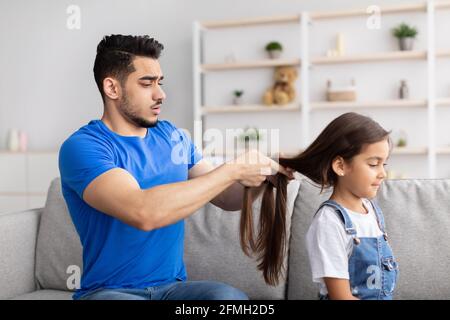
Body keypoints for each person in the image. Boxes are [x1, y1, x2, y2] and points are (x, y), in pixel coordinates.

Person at [58, 34, 292, 300]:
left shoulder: (173, 137)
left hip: (172, 289)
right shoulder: (83, 147)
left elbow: (227, 197)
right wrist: (233, 169)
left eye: (159, 82)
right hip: (109, 292)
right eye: (147, 84)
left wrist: (263, 174)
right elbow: (143, 212)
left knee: (229, 300)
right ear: (112, 88)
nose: (161, 94)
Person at [243, 112, 399, 299]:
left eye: (384, 164)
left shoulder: (372, 210)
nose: (383, 173)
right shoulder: (329, 222)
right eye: (374, 164)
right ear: (340, 166)